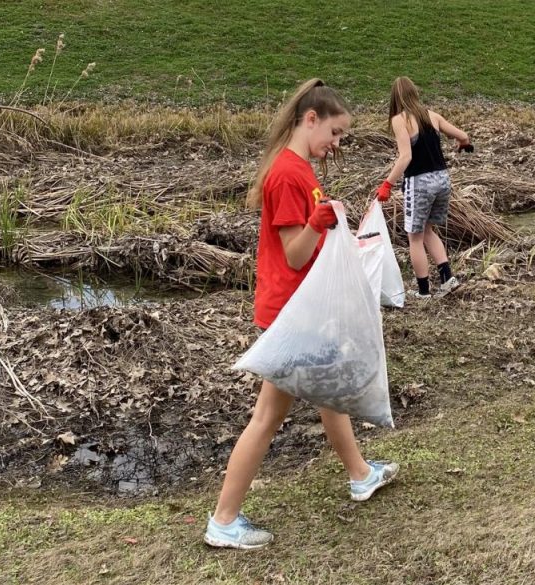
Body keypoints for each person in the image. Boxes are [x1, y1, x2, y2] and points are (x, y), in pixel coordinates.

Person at [205, 79, 398, 550]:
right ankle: (224, 521)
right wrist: (318, 223)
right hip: (291, 314)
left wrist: (342, 238)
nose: (335, 145)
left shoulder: (298, 168)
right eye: (334, 133)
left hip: (301, 307)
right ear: (310, 119)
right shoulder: (288, 175)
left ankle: (359, 475)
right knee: (267, 417)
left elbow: (307, 250)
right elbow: (293, 253)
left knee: (329, 390)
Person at [376, 76, 473, 299]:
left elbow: (405, 157)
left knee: (415, 237)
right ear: (415, 93)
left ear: (396, 97)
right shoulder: (432, 116)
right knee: (429, 230)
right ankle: (448, 278)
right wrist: (464, 144)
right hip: (442, 180)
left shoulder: (399, 120)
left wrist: (387, 184)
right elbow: (463, 136)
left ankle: (423, 291)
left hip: (419, 184)